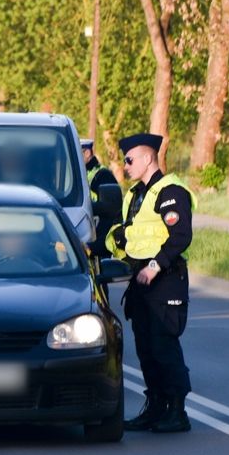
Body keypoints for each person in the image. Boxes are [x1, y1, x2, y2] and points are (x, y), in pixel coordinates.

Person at [106, 133, 195, 433]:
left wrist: (155, 266)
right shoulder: (135, 195)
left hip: (164, 279)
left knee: (163, 345)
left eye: (129, 160)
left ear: (147, 158)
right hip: (141, 281)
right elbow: (132, 236)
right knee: (145, 347)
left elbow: (180, 236)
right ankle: (155, 406)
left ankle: (177, 411)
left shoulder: (170, 192)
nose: (126, 165)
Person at [81, 138, 119, 257]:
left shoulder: (102, 175)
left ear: (87, 153)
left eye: (77, 152)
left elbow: (110, 209)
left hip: (98, 239)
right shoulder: (78, 173)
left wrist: (97, 245)